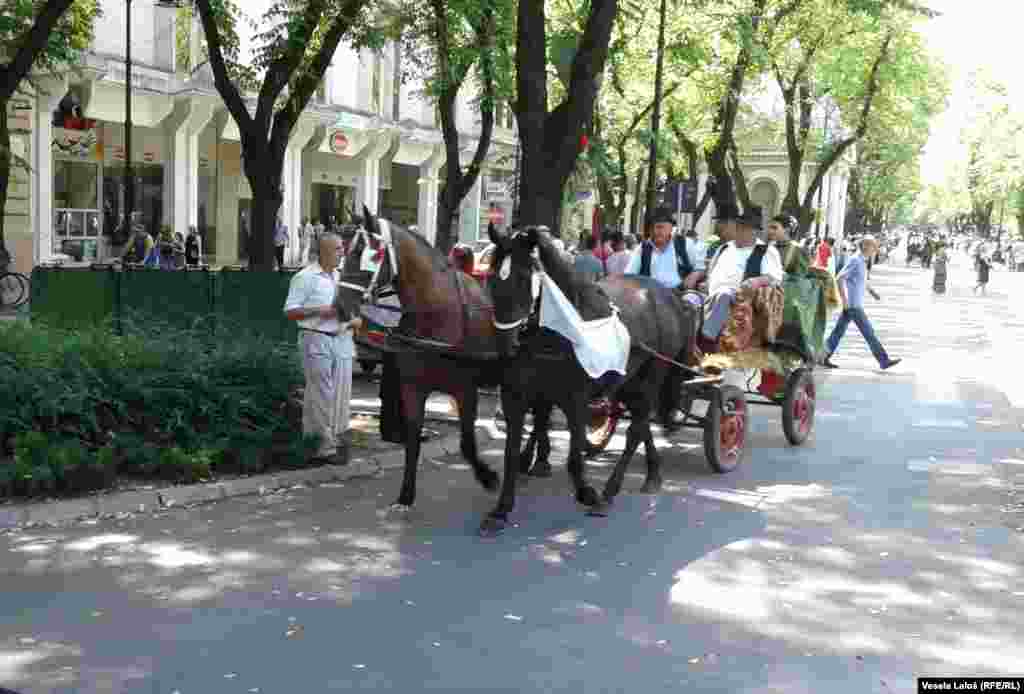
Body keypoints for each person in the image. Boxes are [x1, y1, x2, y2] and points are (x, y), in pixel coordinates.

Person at [283, 233, 363, 464]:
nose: (342, 253)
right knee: (320, 395)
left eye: (342, 249)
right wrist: (322, 310)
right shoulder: (305, 277)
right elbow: (290, 311)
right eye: (338, 249)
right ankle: (321, 447)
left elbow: (351, 308)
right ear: (325, 251)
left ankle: (335, 442)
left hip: (342, 338)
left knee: (341, 395)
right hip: (315, 338)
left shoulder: (341, 278)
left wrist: (355, 319)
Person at [700, 206, 783, 345]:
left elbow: (773, 278)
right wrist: (705, 282)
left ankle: (707, 338)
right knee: (688, 300)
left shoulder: (766, 251)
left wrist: (755, 281)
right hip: (709, 295)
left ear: (755, 232)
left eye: (744, 228)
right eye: (738, 227)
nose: (739, 231)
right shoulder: (724, 247)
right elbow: (710, 272)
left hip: (739, 296)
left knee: (724, 295)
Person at [822, 236, 901, 371]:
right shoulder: (856, 260)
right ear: (865, 246)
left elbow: (861, 280)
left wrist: (872, 292)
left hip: (853, 304)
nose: (875, 250)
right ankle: (883, 360)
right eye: (873, 246)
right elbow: (840, 278)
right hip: (853, 306)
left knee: (838, 332)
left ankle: (823, 356)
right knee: (869, 333)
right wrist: (845, 301)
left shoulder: (862, 261)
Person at [623, 206, 700, 289]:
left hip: (680, 296)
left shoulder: (685, 244)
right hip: (652, 297)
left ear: (670, 228)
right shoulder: (643, 248)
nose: (655, 231)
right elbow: (629, 275)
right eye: (652, 227)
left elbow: (700, 268)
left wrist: (696, 274)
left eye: (660, 227)